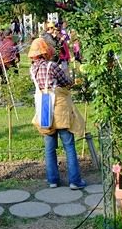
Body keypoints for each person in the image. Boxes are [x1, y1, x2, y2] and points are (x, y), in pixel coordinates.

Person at [29, 38, 86, 190]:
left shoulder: (32, 70)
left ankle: (53, 180)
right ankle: (75, 181)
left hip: (44, 109)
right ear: (45, 51)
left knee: (49, 147)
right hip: (59, 108)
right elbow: (66, 81)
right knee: (68, 144)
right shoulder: (52, 65)